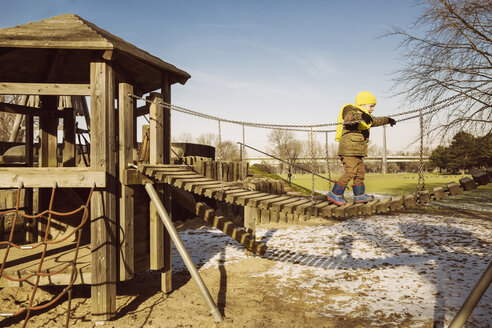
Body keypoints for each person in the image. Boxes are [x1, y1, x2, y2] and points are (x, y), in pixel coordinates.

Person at [327, 91, 396, 205]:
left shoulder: (366, 117)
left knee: (360, 172)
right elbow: (349, 117)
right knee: (351, 172)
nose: (373, 109)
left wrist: (387, 120)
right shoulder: (350, 109)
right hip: (348, 150)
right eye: (371, 106)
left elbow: (375, 120)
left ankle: (359, 195)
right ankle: (335, 194)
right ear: (362, 104)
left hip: (357, 151)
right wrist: (361, 115)